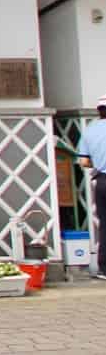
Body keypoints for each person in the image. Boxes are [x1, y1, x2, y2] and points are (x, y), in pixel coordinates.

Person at [77, 93, 106, 280]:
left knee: (105, 225)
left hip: (102, 182)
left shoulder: (89, 130)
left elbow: (84, 161)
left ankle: (104, 268)